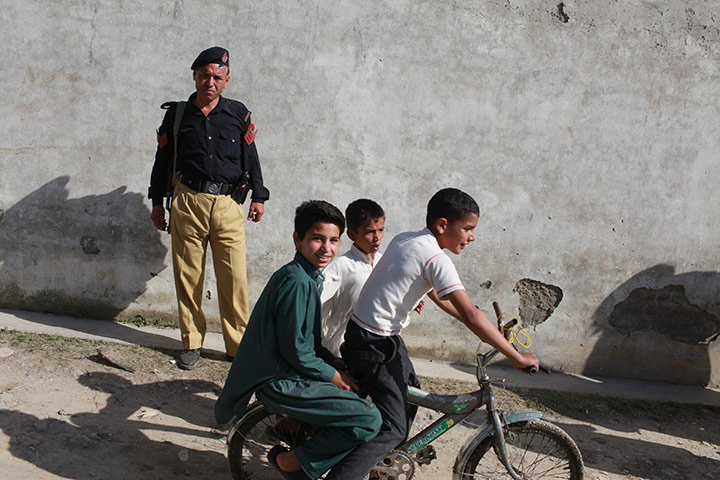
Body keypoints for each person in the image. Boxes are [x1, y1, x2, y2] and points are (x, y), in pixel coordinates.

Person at [330, 188, 540, 478]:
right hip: (374, 343)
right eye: (468, 228)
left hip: (375, 336)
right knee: (394, 428)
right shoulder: (436, 259)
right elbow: (471, 315)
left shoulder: (408, 238)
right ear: (442, 225)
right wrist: (515, 355)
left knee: (411, 395)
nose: (472, 237)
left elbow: (442, 298)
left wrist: (481, 328)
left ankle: (384, 466)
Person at [215, 200, 381, 480]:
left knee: (356, 379)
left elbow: (310, 344)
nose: (326, 248)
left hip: (289, 370)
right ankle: (292, 461)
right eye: (317, 239)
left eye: (333, 240)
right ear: (298, 239)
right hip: (277, 379)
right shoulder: (296, 283)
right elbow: (296, 350)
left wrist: (334, 363)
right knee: (368, 420)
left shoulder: (307, 276)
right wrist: (332, 375)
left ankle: (301, 432)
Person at [148, 46, 269, 370]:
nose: (209, 82)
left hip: (228, 205)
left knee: (235, 280)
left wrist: (259, 196)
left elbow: (251, 157)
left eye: (216, 77)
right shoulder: (176, 116)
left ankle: (237, 347)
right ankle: (191, 342)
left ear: (226, 80)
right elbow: (162, 161)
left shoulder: (238, 114)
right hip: (188, 201)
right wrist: (157, 202)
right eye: (204, 76)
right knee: (188, 276)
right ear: (195, 77)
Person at [320, 199, 385, 357]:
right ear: (352, 234)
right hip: (340, 351)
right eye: (369, 232)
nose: (377, 237)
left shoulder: (383, 263)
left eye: (381, 230)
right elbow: (314, 303)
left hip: (375, 349)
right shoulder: (341, 267)